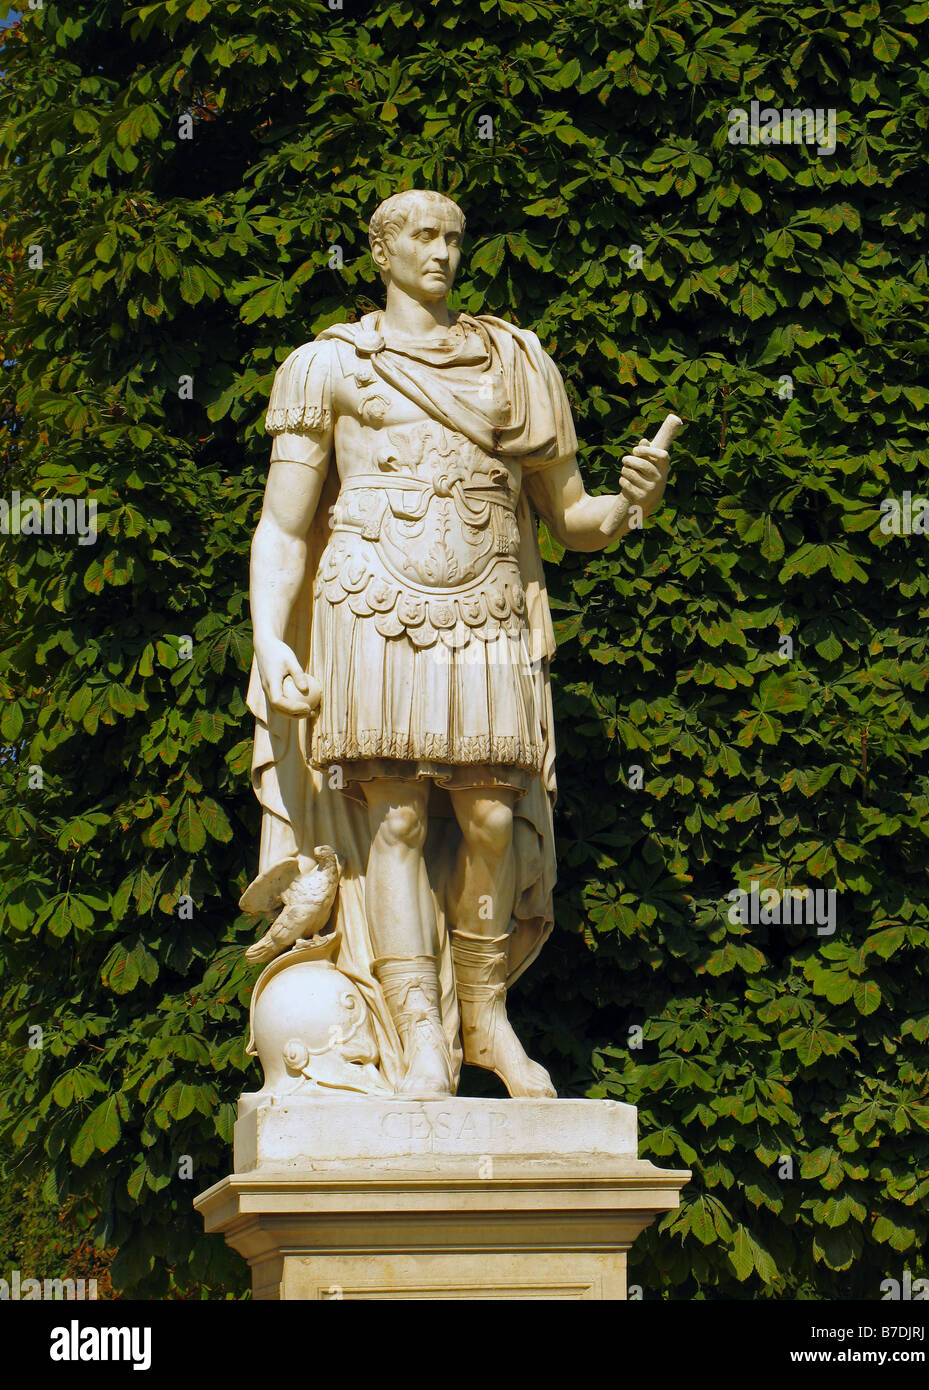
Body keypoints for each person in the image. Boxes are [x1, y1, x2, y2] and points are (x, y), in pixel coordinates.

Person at [245, 189, 670, 1100]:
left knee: (487, 818)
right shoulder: (326, 366)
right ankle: (418, 1028)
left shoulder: (514, 364)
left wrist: (634, 502)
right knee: (393, 819)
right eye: (422, 237)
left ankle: (483, 1012)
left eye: (453, 238)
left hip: (486, 608)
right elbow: (283, 527)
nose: (441, 253)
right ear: (381, 251)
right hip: (368, 598)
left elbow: (573, 519)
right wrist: (271, 641)